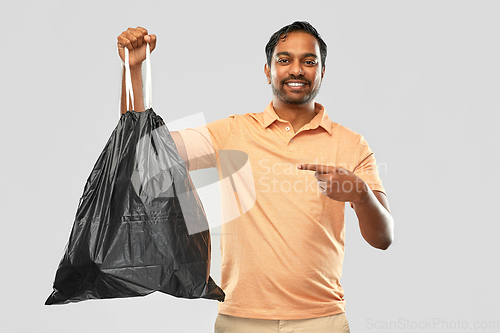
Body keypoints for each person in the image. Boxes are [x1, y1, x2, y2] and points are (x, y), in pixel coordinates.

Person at [117, 21, 394, 333]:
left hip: (321, 321)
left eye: (309, 61)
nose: (297, 70)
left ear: (323, 71)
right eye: (285, 60)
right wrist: (133, 70)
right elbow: (144, 150)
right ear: (268, 71)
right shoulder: (233, 132)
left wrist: (361, 195)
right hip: (240, 321)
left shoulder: (351, 144)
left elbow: (383, 238)